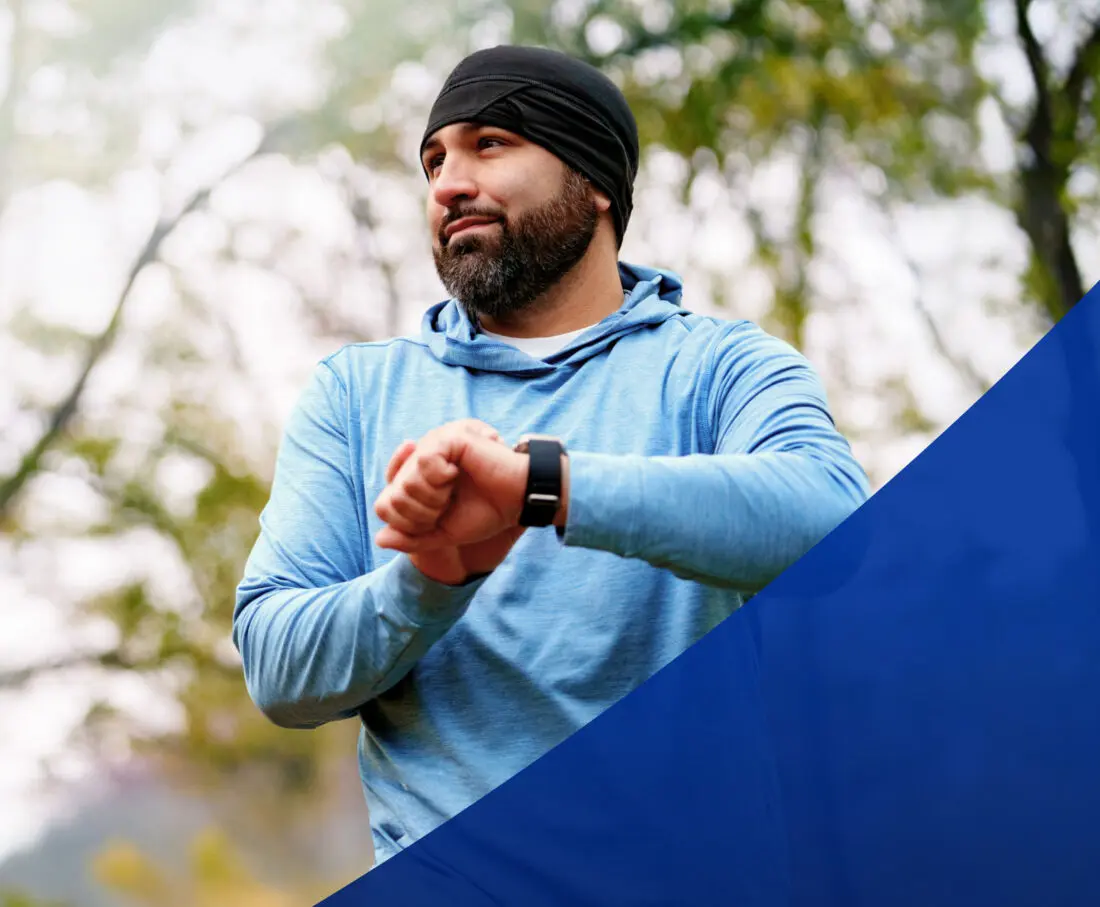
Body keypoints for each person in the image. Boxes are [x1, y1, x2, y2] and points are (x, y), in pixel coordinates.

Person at [232, 44, 871, 869]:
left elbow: (831, 524)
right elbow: (278, 668)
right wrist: (431, 577)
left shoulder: (723, 368)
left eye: (490, 144)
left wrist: (546, 486)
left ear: (594, 179)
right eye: (434, 161)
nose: (448, 183)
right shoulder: (355, 393)